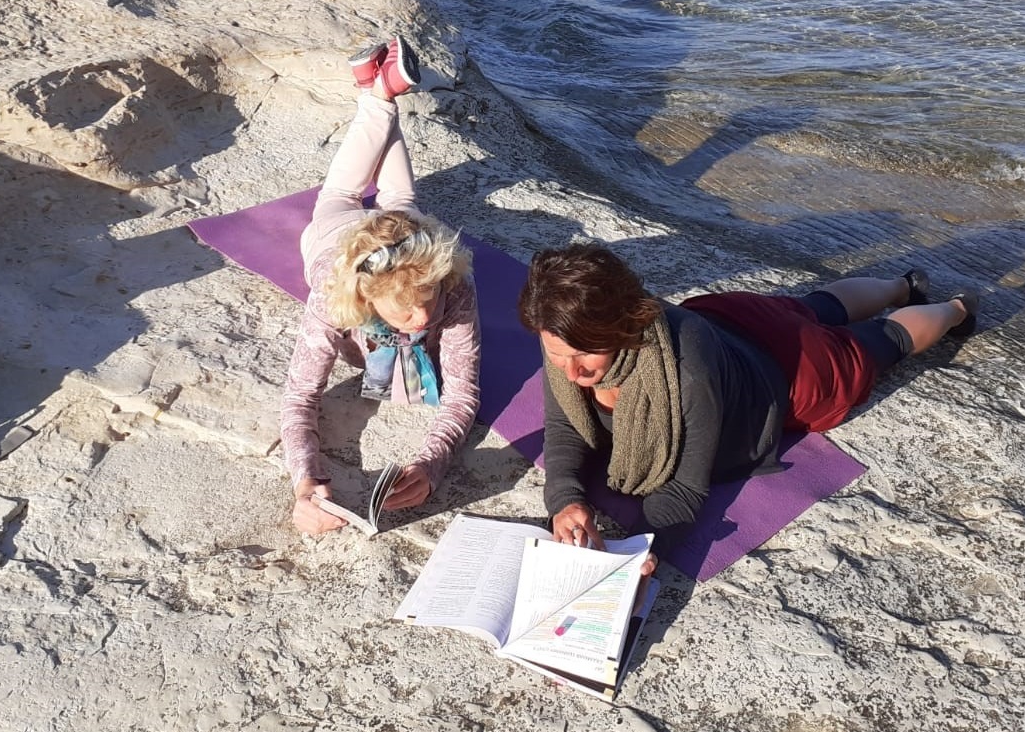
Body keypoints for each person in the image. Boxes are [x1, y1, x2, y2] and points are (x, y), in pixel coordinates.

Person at [517, 243, 977, 548]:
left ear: (621, 328)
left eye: (584, 357)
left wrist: (633, 552)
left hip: (786, 376)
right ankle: (903, 284)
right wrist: (566, 500)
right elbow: (563, 428)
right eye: (558, 356)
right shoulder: (562, 329)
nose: (572, 372)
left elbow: (685, 488)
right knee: (813, 307)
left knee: (878, 343)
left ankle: (954, 308)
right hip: (732, 323)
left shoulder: (684, 373)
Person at [283, 36, 482, 535]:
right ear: (367, 301)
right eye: (405, 311)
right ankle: (377, 92)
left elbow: (463, 393)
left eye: (428, 301)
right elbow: (300, 398)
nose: (422, 319)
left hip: (402, 234)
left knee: (401, 201)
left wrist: (431, 462)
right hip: (335, 238)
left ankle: (378, 91)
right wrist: (305, 481)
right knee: (342, 195)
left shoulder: (450, 284)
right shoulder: (334, 295)